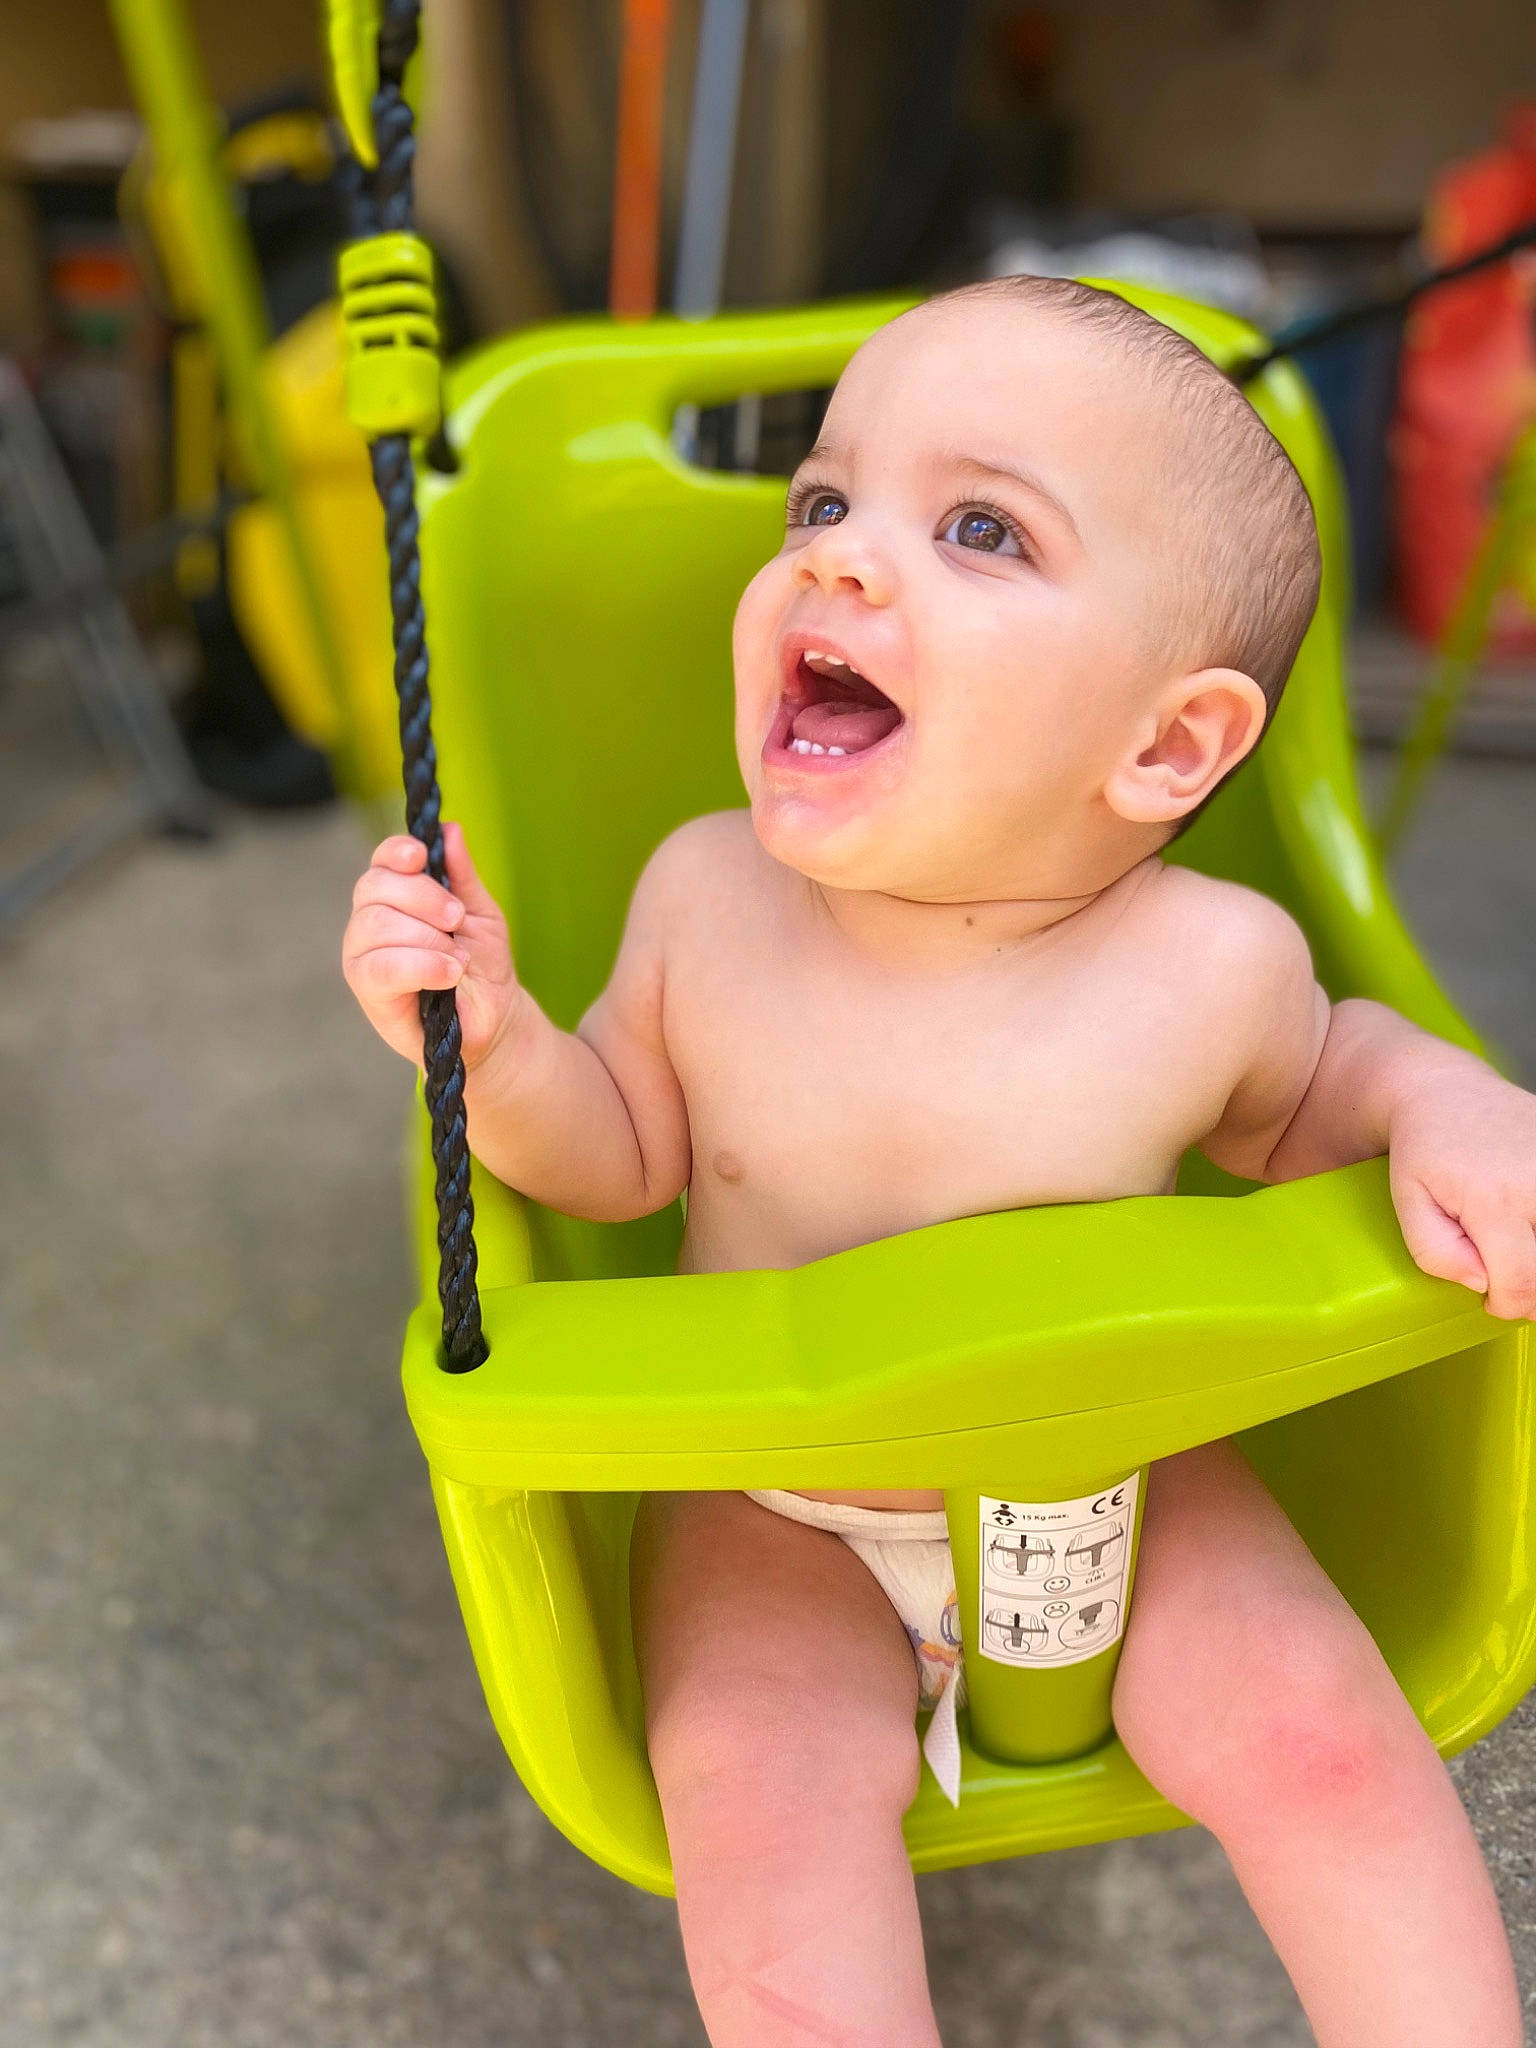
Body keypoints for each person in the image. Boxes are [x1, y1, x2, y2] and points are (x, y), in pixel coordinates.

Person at [342, 276, 1535, 2046]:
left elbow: (1321, 1097)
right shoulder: (707, 902)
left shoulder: (1211, 966)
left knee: (1324, 1743)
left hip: (1130, 1473)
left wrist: (1445, 1101)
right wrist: (501, 1046)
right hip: (778, 1509)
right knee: (761, 1816)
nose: (837, 557)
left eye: (979, 528)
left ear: (1167, 744)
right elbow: (616, 1162)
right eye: (823, 501)